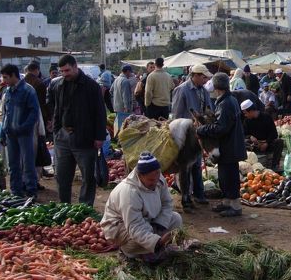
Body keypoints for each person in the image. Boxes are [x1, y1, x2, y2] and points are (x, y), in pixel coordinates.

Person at [101, 152, 182, 262]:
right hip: (121, 228)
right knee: (137, 241)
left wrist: (159, 224)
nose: (155, 183)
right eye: (150, 180)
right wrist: (157, 242)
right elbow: (134, 226)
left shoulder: (158, 178)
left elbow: (167, 203)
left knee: (176, 218)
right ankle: (128, 251)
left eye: (157, 177)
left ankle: (149, 248)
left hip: (148, 221)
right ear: (140, 176)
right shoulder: (129, 192)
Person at [48, 54, 106, 206]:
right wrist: (56, 130)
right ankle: (64, 206)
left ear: (75, 67)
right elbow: (56, 109)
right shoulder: (58, 85)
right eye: (62, 71)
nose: (65, 74)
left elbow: (100, 112)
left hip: (85, 138)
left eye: (67, 70)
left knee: (88, 176)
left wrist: (99, 137)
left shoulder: (91, 86)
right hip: (63, 137)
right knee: (62, 176)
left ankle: (85, 208)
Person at [196, 72, 247, 217]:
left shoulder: (225, 103)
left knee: (230, 177)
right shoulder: (229, 100)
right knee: (225, 176)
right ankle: (226, 202)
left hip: (229, 146)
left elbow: (221, 128)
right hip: (231, 145)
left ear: (217, 87)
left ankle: (235, 207)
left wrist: (202, 129)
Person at [171, 64, 213, 207]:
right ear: (194, 75)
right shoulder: (181, 90)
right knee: (185, 167)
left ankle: (199, 194)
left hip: (200, 134)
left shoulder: (205, 92)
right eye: (202, 76)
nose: (205, 79)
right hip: (185, 135)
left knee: (197, 165)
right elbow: (176, 115)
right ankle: (186, 195)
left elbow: (209, 111)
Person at [0, 64, 40, 199]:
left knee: (28, 164)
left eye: (5, 77)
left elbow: (34, 113)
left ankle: (31, 192)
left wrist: (24, 127)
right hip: (10, 134)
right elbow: (6, 113)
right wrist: (3, 132)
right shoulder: (8, 91)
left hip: (24, 134)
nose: (4, 80)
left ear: (13, 75)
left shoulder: (28, 91)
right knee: (13, 165)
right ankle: (16, 192)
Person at [241, 99, 284, 172]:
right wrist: (250, 137)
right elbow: (244, 134)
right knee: (243, 143)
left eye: (245, 113)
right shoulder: (247, 121)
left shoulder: (266, 117)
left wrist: (266, 143)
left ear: (251, 111)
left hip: (267, 144)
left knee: (279, 142)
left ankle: (274, 165)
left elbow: (274, 133)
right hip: (254, 146)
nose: (245, 115)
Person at [110, 65, 135, 135]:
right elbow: (125, 96)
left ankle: (118, 138)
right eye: (130, 72)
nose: (130, 74)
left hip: (116, 106)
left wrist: (116, 98)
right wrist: (127, 108)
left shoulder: (116, 79)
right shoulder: (125, 81)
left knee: (118, 125)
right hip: (124, 108)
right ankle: (122, 140)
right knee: (124, 126)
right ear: (127, 71)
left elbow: (111, 91)